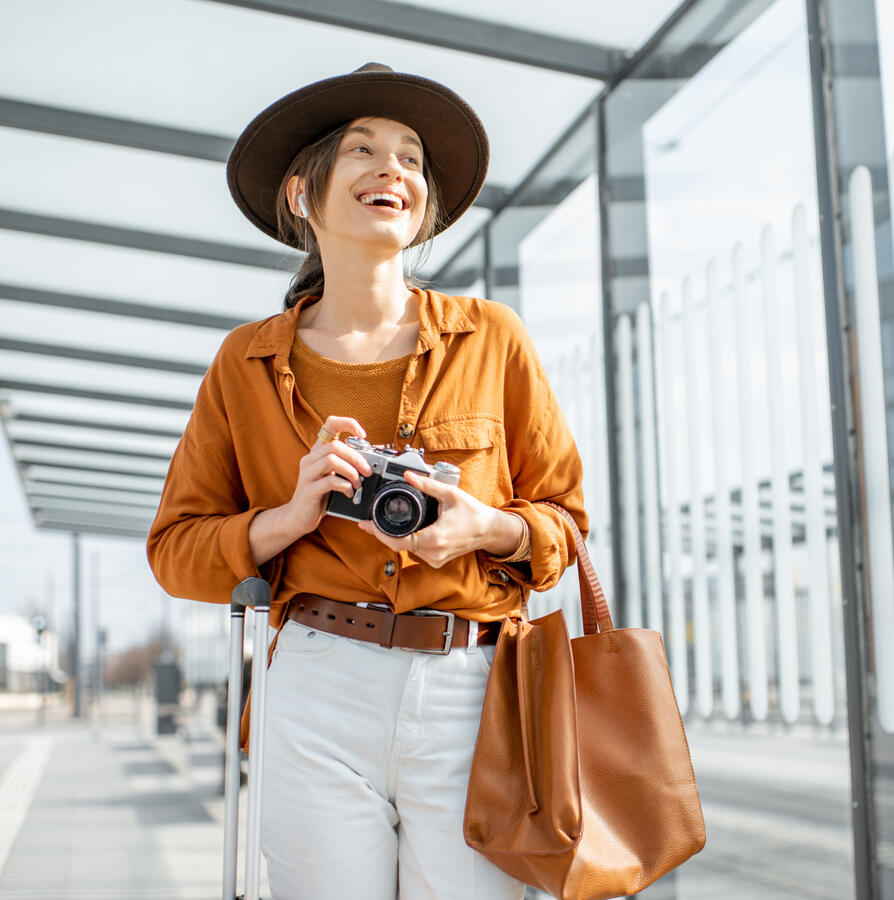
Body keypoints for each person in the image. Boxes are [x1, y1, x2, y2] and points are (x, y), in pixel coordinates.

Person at [147, 62, 588, 900]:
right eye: (363, 149)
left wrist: (481, 527)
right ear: (302, 194)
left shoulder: (492, 338)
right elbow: (174, 550)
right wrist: (285, 517)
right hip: (315, 682)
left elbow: (565, 522)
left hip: (472, 688)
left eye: (413, 158)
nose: (396, 170)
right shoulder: (244, 362)